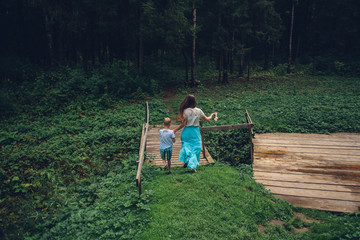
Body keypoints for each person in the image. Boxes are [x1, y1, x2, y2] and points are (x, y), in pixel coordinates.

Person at [173, 94, 217, 172]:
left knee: (187, 147)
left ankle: (187, 163)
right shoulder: (199, 111)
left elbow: (183, 124)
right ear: (194, 101)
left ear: (186, 101)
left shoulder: (185, 111)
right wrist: (212, 115)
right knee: (195, 148)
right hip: (195, 132)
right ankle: (193, 166)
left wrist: (175, 130)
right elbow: (207, 119)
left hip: (186, 132)